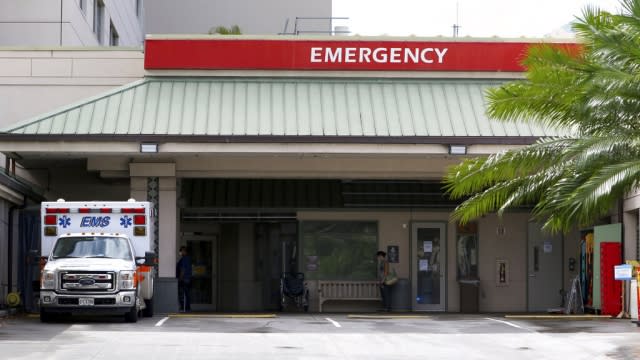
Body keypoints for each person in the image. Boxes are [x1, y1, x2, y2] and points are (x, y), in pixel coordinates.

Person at [176, 246, 192, 312]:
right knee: (187, 293)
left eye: (181, 251)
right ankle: (187, 308)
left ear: (184, 251)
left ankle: (184, 307)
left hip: (184, 279)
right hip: (187, 278)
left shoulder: (184, 259)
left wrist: (180, 278)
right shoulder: (188, 259)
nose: (180, 252)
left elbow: (183, 269)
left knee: (182, 293)